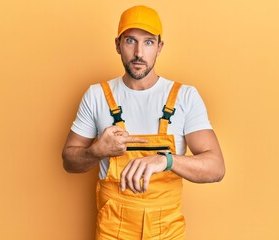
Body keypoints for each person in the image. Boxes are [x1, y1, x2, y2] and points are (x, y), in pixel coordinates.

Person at [62, 5, 225, 240]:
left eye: (148, 42)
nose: (139, 52)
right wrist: (96, 151)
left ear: (159, 47)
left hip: (167, 231)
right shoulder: (97, 95)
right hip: (112, 229)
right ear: (118, 44)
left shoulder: (185, 97)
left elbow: (216, 168)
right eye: (130, 41)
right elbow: (69, 161)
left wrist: (166, 160)